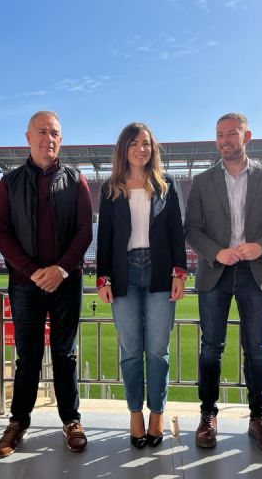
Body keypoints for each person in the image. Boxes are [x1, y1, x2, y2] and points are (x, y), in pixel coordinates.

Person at [184, 112, 262, 453]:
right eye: (219, 134)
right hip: (216, 271)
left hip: (255, 271)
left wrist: (260, 247)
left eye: (232, 133)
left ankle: (259, 418)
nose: (225, 140)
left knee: (255, 349)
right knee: (211, 347)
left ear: (247, 136)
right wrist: (217, 252)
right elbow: (192, 230)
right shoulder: (201, 182)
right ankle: (208, 415)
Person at [0, 111, 93, 456]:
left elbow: (84, 231)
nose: (48, 138)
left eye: (54, 133)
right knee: (27, 357)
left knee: (65, 354)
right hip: (25, 283)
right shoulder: (9, 182)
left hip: (67, 282)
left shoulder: (77, 180)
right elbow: (0, 232)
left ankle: (71, 421)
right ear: (28, 137)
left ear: (59, 139)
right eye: (42, 132)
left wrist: (61, 270)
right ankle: (19, 422)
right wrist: (32, 270)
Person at [96, 123, 186, 449]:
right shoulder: (110, 189)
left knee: (158, 351)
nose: (141, 149)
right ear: (124, 149)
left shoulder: (167, 186)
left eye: (146, 143)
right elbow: (104, 239)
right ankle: (135, 413)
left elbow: (177, 233)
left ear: (153, 148)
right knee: (131, 352)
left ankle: (157, 412)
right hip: (124, 275)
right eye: (134, 143)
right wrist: (102, 278)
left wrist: (180, 273)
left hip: (160, 273)